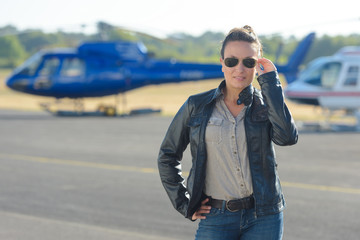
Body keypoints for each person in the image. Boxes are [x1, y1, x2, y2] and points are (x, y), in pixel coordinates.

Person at [158, 25, 298, 240]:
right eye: (232, 61)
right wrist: (184, 203)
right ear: (222, 63)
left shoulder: (267, 104)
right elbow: (168, 155)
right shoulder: (196, 105)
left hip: (265, 217)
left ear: (256, 65)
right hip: (216, 217)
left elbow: (287, 137)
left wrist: (271, 82)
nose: (239, 69)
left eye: (249, 62)